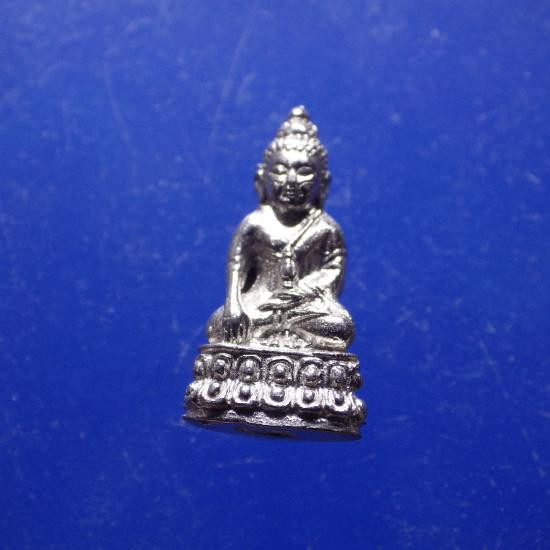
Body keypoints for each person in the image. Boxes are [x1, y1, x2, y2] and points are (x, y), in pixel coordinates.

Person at [207, 106, 354, 351]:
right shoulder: (255, 223)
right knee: (217, 326)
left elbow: (333, 269)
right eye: (280, 170)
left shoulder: (326, 228)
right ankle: (275, 326)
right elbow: (237, 266)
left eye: (304, 171)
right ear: (261, 179)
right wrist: (234, 305)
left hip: (304, 307)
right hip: (259, 303)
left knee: (340, 327)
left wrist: (302, 292)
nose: (291, 181)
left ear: (323, 183)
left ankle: (277, 326)